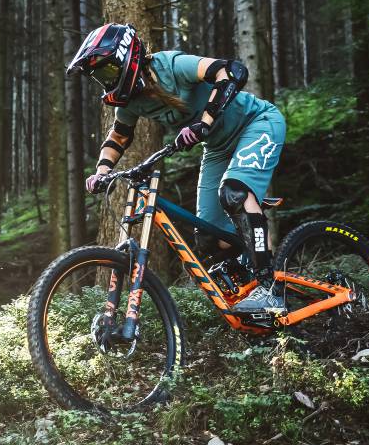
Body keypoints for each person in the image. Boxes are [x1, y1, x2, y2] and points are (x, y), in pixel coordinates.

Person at [66, 23, 288, 320]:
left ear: (125, 59)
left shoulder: (171, 65)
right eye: (99, 78)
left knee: (235, 192)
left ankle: (269, 288)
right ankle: (252, 298)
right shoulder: (130, 102)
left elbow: (232, 71)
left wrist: (205, 121)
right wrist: (102, 170)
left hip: (257, 123)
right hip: (218, 147)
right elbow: (119, 136)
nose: (105, 81)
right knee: (210, 238)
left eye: (106, 72)